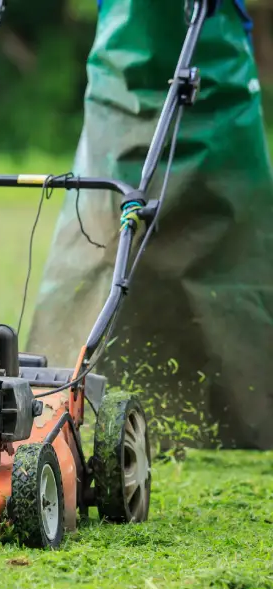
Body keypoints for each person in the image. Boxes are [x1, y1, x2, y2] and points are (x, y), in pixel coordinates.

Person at [27, 0, 273, 450]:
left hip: (218, 83)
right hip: (122, 89)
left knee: (226, 254)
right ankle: (65, 403)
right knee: (102, 241)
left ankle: (245, 416)